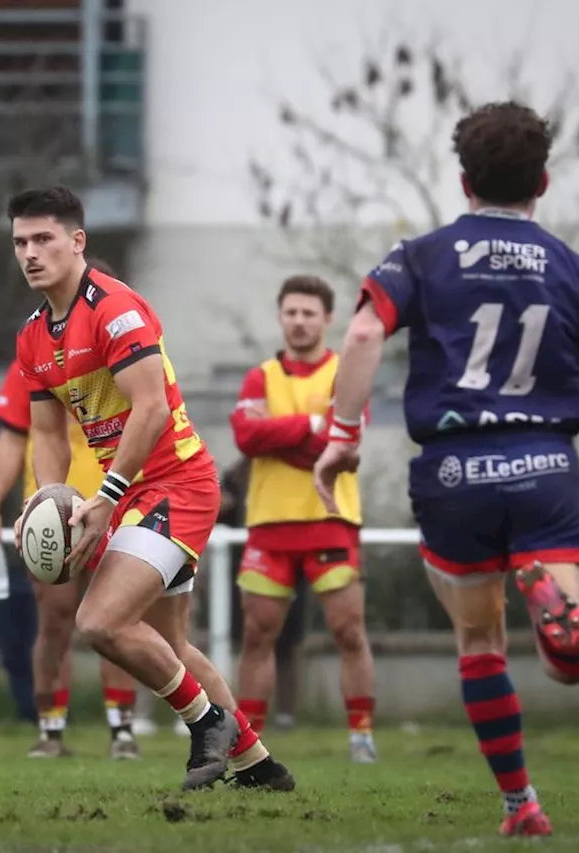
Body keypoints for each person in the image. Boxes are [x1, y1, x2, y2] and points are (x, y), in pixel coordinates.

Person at [314, 101, 579, 837]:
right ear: (545, 182)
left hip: (454, 472)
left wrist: (342, 434)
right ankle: (560, 618)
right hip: (546, 468)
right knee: (570, 663)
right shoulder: (575, 269)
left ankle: (519, 802)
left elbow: (365, 330)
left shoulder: (421, 256)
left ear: (464, 181)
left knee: (479, 643)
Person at [6, 185, 294, 791]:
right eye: (20, 243)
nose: (30, 253)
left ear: (77, 241)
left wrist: (105, 497)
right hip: (134, 491)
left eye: (43, 239)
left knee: (101, 621)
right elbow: (49, 434)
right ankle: (258, 767)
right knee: (167, 643)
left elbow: (152, 410)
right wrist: (47, 500)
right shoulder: (33, 336)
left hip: (177, 482)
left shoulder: (115, 308)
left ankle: (206, 722)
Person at [0, 265, 145, 759]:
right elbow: (13, 438)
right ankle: (51, 730)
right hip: (53, 509)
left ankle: (122, 730)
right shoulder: (31, 351)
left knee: (116, 620)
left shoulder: (122, 343)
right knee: (53, 622)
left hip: (117, 499)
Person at [230, 275, 377, 762]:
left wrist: (289, 436)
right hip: (270, 522)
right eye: (290, 312)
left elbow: (346, 446)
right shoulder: (259, 377)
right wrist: (313, 427)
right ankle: (250, 744)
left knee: (348, 629)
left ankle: (361, 736)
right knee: (256, 634)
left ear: (327, 319)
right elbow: (246, 438)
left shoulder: (345, 373)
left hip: (330, 517)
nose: (298, 321)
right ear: (280, 316)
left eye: (308, 313)